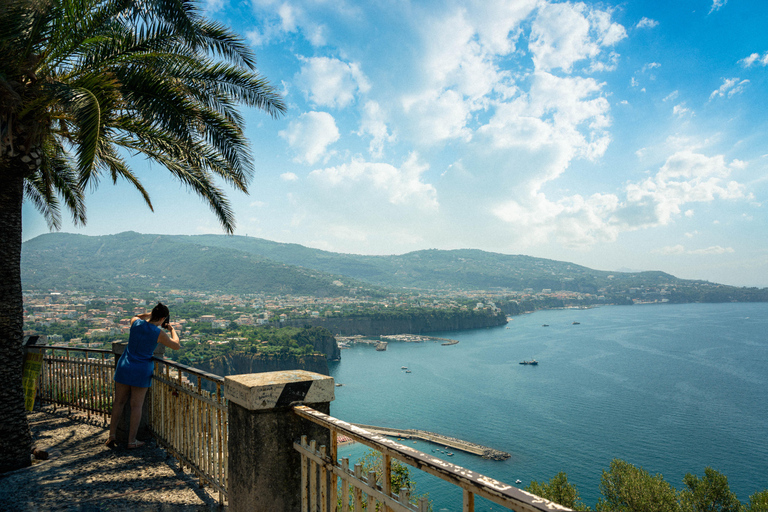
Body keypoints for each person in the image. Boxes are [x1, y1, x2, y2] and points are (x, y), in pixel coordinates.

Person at [106, 302, 180, 448]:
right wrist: (172, 330)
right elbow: (176, 345)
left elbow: (135, 316)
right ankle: (131, 441)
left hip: (124, 366)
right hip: (141, 370)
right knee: (136, 406)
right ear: (163, 318)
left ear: (152, 314)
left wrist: (150, 315)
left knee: (118, 402)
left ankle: (112, 435)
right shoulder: (158, 333)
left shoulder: (136, 323)